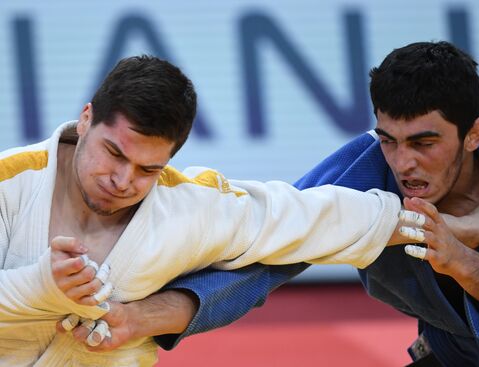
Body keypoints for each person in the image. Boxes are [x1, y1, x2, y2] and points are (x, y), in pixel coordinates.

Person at [106, 41, 479, 366]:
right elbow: (272, 247)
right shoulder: (368, 165)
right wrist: (145, 316)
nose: (403, 163)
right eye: (389, 139)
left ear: (473, 134)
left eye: (424, 142)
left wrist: (462, 261)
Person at [0, 54, 440, 366]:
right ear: (85, 119)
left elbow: (311, 216)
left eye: (147, 169)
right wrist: (44, 285)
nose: (122, 180)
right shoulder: (10, 183)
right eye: (113, 153)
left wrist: (447, 229)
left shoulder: (187, 207)